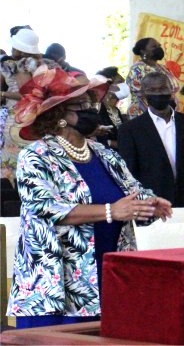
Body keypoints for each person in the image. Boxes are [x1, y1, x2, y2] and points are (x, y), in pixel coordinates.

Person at [5, 66, 172, 328]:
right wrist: (110, 211)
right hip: (58, 282)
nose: (92, 110)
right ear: (59, 114)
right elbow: (45, 207)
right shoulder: (36, 155)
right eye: (81, 105)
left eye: (91, 103)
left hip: (109, 276)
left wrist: (150, 203)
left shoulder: (104, 153)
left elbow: (132, 190)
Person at [118, 72, 184, 208]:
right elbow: (130, 173)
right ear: (143, 94)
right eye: (152, 90)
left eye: (162, 89)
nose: (158, 93)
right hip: (152, 203)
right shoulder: (130, 129)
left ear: (171, 90)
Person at [0, 27, 59, 183]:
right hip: (38, 119)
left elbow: (29, 95)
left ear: (18, 49)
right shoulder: (46, 67)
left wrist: (4, 94)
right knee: (34, 163)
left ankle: (15, 198)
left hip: (17, 119)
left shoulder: (13, 67)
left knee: (13, 165)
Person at [125, 38, 180, 119]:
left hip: (165, 113)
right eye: (154, 46)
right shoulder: (137, 69)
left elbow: (173, 87)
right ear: (143, 51)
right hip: (144, 114)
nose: (158, 48)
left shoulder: (163, 68)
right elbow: (142, 93)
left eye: (159, 46)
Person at [95, 66, 129, 149]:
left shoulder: (116, 110)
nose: (124, 86)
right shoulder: (97, 109)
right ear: (107, 87)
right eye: (120, 82)